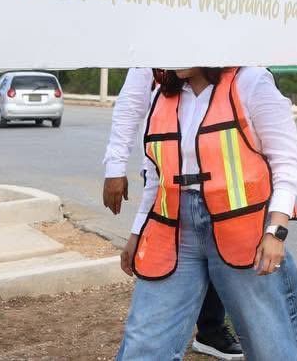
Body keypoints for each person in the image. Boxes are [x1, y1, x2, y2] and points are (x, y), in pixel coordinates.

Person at [115, 67, 297, 361]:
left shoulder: (251, 82)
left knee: (272, 345)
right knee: (144, 344)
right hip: (174, 233)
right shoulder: (162, 94)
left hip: (245, 233)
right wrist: (137, 232)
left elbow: (287, 163)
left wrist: (276, 231)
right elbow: (157, 175)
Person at [102, 67, 243, 360]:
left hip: (226, 183)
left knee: (221, 255)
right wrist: (115, 167)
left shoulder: (242, 76)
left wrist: (276, 224)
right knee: (163, 273)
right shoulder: (157, 61)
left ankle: (210, 329)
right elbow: (130, 105)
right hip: (165, 169)